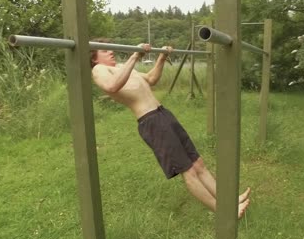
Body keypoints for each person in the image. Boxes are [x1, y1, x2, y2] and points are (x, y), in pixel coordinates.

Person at [90, 38, 250, 218]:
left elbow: (150, 79)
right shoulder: (99, 70)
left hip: (163, 114)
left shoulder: (121, 67)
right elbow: (112, 86)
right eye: (104, 50)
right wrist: (135, 55)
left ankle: (229, 200)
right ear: (94, 57)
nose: (110, 51)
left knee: (198, 163)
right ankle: (224, 212)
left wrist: (161, 58)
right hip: (151, 121)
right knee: (188, 170)